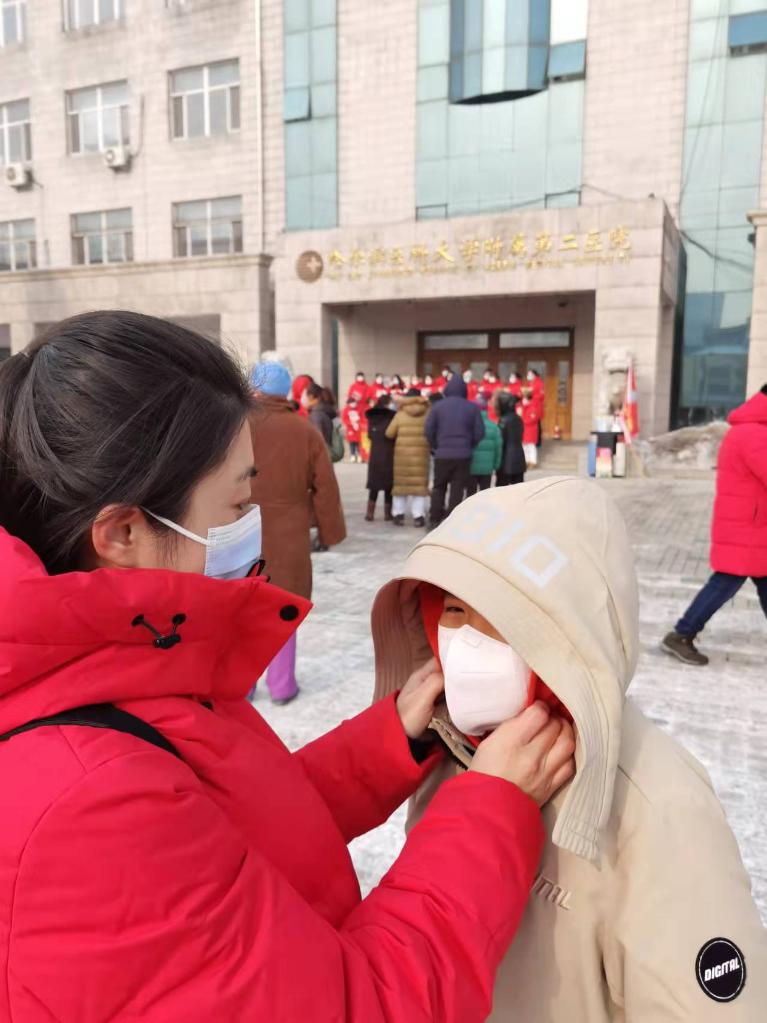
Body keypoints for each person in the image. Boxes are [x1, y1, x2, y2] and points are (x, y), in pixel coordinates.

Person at [0, 311, 575, 1021]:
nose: (252, 524)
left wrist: (390, 742)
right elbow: (363, 1006)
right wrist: (491, 809)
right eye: (238, 502)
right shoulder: (88, 805)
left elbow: (238, 828)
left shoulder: (131, 658)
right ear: (123, 533)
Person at [372, 480, 767, 1023]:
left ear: (571, 634)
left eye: (502, 622)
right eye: (455, 611)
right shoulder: (448, 746)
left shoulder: (657, 807)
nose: (465, 641)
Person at [249, 361, 346, 704]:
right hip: (289, 530)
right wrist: (330, 531)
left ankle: (242, 683)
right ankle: (281, 685)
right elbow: (325, 486)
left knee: (242, 605)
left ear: (253, 389)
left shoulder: (234, 426)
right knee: (283, 605)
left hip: (240, 529)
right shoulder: (304, 431)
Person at [662, 384, 767, 665]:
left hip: (752, 526)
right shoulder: (754, 434)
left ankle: (682, 633)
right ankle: (682, 634)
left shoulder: (752, 429)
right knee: (725, 582)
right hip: (748, 528)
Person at [425, 373, 485, 527]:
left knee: (439, 486)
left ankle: (434, 518)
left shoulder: (438, 407)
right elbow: (480, 432)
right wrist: (470, 445)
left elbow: (428, 430)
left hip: (442, 454)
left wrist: (436, 445)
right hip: (463, 455)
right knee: (457, 488)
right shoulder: (472, 408)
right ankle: (451, 521)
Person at [386, 387, 431, 527]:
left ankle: (398, 514)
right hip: (421, 456)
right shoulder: (427, 413)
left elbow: (389, 433)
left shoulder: (400, 414)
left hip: (402, 457)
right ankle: (418, 516)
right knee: (419, 488)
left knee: (401, 486)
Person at [364, 394, 396, 522]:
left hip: (375, 454)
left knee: (374, 485)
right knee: (389, 485)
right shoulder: (391, 416)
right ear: (387, 403)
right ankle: (387, 514)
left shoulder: (372, 417)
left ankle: (370, 513)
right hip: (389, 453)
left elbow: (370, 435)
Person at [468, 396, 502, 495]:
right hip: (487, 468)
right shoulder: (494, 426)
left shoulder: (468, 426)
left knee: (470, 495)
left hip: (471, 467)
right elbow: (498, 448)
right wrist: (496, 465)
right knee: (485, 494)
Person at [495, 392, 527, 486]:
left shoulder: (503, 420)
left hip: (505, 461)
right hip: (519, 459)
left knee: (501, 490)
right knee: (518, 490)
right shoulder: (518, 419)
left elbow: (501, 441)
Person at [306, 382, 337, 450]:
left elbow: (318, 441)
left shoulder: (316, 414)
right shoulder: (325, 410)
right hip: (328, 451)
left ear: (311, 396)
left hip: (320, 453)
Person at [520, 389, 540, 468]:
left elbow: (531, 419)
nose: (523, 400)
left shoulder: (533, 408)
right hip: (524, 429)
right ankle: (526, 460)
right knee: (524, 446)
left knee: (531, 446)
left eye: (524, 398)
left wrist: (521, 419)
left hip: (531, 430)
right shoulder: (524, 407)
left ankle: (533, 461)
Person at [342, 396, 363, 463]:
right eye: (352, 403)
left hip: (358, 428)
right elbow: (344, 419)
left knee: (359, 443)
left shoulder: (359, 409)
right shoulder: (346, 410)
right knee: (352, 442)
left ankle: (359, 455)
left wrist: (359, 424)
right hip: (350, 429)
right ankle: (352, 455)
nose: (354, 404)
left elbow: (362, 417)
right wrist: (351, 423)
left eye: (354, 403)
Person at [526, 369, 544, 446]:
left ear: (534, 375)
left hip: (536, 406)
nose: (528, 376)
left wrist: (532, 396)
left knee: (537, 423)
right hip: (530, 405)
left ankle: (538, 441)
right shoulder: (530, 383)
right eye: (528, 374)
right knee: (532, 423)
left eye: (530, 374)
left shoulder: (539, 383)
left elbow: (541, 395)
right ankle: (533, 439)